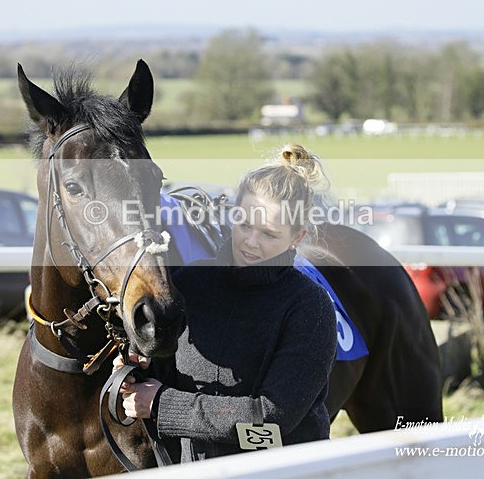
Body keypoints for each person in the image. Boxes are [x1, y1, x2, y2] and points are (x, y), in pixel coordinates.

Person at [114, 144, 337, 462]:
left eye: (269, 234)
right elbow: (174, 378)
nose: (251, 242)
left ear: (297, 237)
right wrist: (139, 371)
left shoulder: (311, 308)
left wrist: (161, 404)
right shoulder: (189, 284)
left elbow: (271, 424)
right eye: (244, 225)